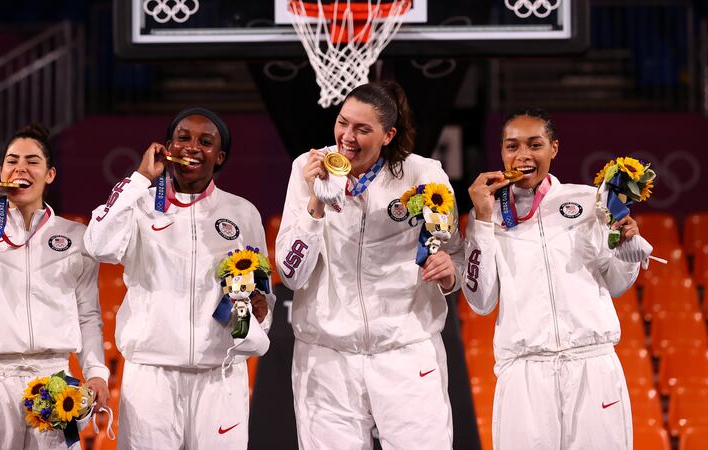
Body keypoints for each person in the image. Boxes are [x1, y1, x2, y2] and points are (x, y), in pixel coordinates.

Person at [275, 81, 463, 449]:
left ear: (388, 134)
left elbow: (454, 254)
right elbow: (291, 274)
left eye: (362, 129)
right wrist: (316, 203)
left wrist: (449, 272)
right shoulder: (308, 168)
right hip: (326, 354)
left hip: (405, 350)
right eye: (343, 123)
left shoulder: (424, 175)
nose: (346, 137)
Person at [84, 107, 274, 450]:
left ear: (220, 156)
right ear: (167, 146)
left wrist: (260, 314)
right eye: (183, 138)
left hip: (220, 378)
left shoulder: (242, 213)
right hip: (151, 377)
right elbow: (99, 245)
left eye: (205, 141)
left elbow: (262, 292)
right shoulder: (139, 204)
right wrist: (140, 177)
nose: (192, 147)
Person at [464, 109, 643, 449]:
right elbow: (481, 301)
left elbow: (618, 282)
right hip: (525, 371)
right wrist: (483, 221)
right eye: (512, 146)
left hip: (592, 365)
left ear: (554, 149)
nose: (523, 156)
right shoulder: (488, 215)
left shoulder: (588, 201)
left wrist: (626, 245)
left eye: (535, 144)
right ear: (501, 152)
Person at [0, 124, 110, 449]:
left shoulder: (76, 237)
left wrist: (96, 371)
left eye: (32, 160)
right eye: (12, 160)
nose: (21, 168)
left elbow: (88, 315)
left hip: (53, 381)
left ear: (50, 174)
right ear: (0, 172)